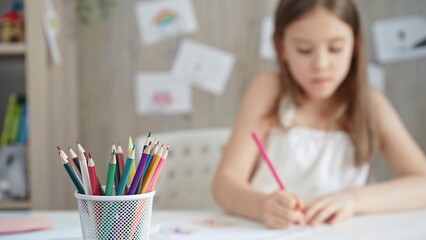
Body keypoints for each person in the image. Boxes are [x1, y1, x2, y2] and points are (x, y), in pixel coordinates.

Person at [213, 0, 426, 229]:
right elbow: (224, 184)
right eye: (304, 50)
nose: (321, 64)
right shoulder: (268, 90)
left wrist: (352, 200)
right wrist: (263, 206)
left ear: (355, 45)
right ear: (281, 46)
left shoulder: (370, 103)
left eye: (335, 48)